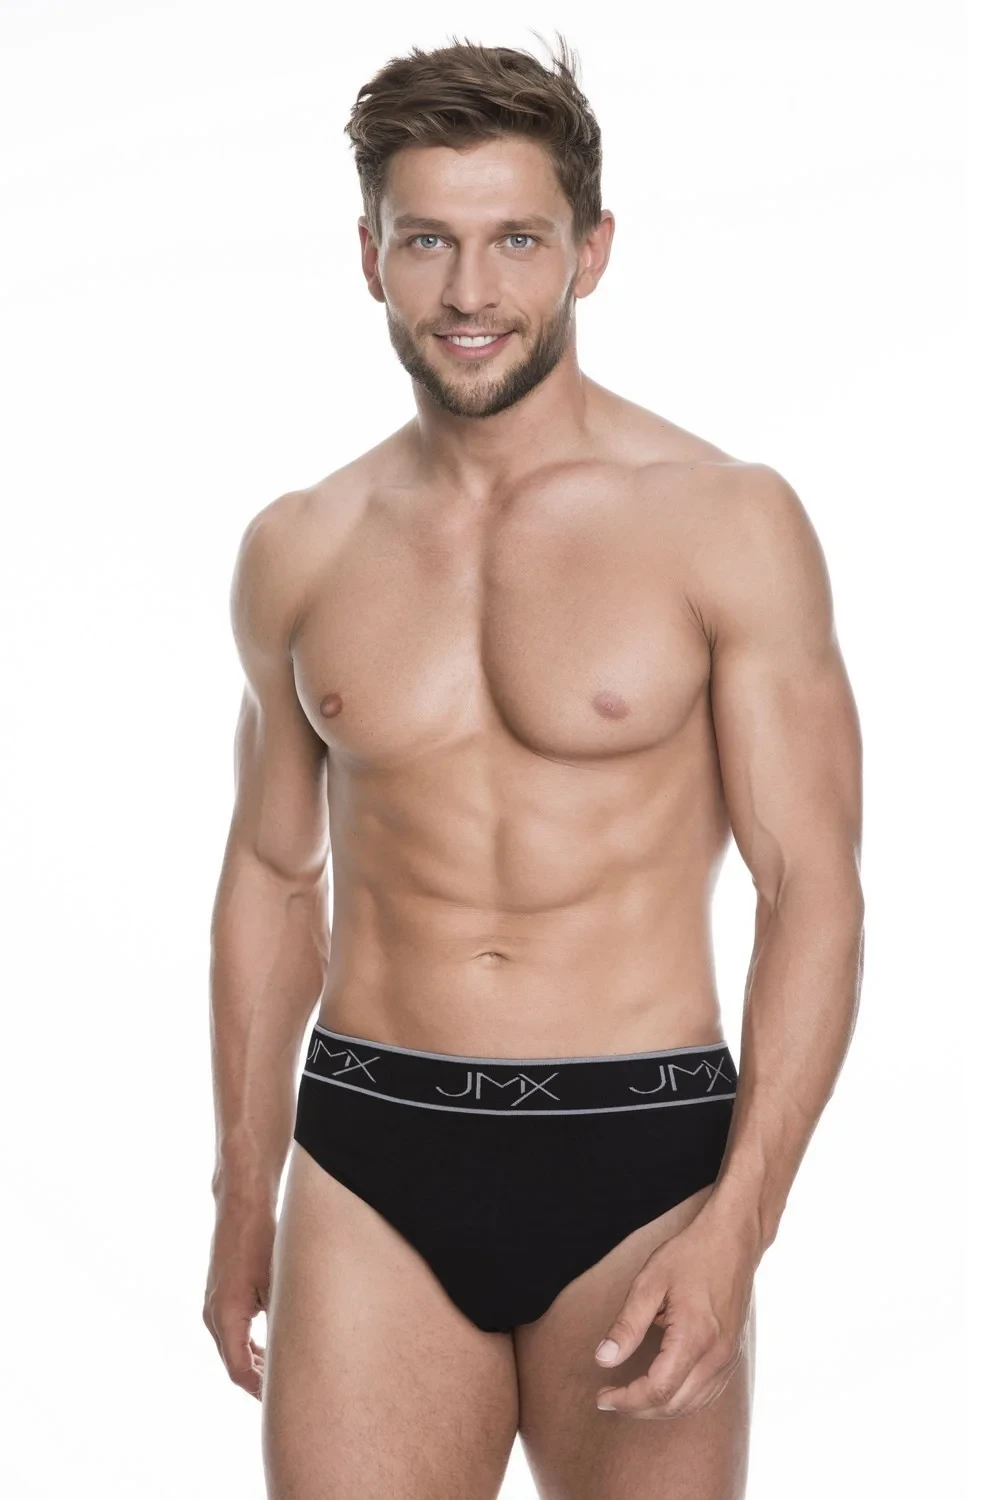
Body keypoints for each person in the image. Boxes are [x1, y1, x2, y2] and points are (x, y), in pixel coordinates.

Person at [202, 32, 865, 1500]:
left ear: (592, 252)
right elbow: (271, 872)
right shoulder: (301, 546)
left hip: (645, 1161)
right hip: (370, 1155)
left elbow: (812, 886)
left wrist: (740, 1227)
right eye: (426, 241)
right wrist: (246, 1186)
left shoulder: (724, 521)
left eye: (516, 240)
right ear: (369, 256)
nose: (470, 293)